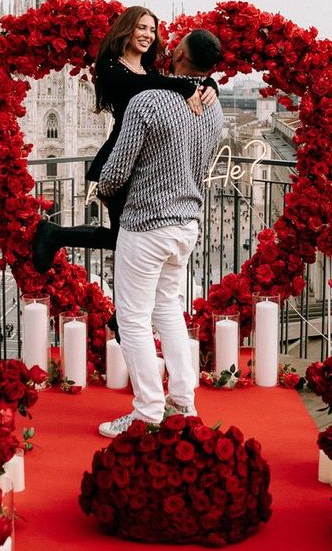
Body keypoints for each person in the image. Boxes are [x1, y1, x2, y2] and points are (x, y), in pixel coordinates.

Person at [94, 29, 224, 438]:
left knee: (132, 318)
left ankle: (148, 411)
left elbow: (115, 171)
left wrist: (105, 189)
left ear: (180, 53)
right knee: (168, 309)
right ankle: (183, 401)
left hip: (147, 224)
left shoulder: (148, 101)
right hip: (186, 224)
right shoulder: (214, 108)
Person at [31, 6, 216, 271]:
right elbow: (136, 87)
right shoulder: (110, 66)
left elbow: (166, 84)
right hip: (119, 158)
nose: (148, 34)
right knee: (126, 238)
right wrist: (184, 86)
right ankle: (55, 236)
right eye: (141, 27)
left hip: (140, 161)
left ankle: (56, 235)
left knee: (125, 237)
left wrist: (209, 85)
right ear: (126, 30)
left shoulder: (148, 71)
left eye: (152, 30)